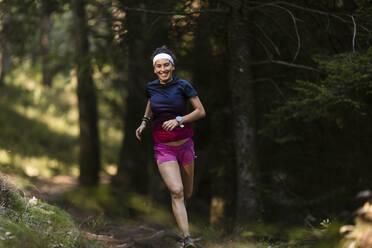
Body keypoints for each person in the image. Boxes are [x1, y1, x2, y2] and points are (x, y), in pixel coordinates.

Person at [135, 45, 206, 248]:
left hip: (185, 146)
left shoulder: (183, 86)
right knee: (176, 191)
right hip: (163, 147)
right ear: (154, 69)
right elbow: (151, 103)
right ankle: (187, 239)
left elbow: (201, 111)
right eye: (159, 66)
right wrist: (144, 122)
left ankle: (187, 232)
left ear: (172, 66)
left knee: (188, 192)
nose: (163, 69)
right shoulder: (151, 87)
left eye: (166, 65)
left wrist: (179, 119)